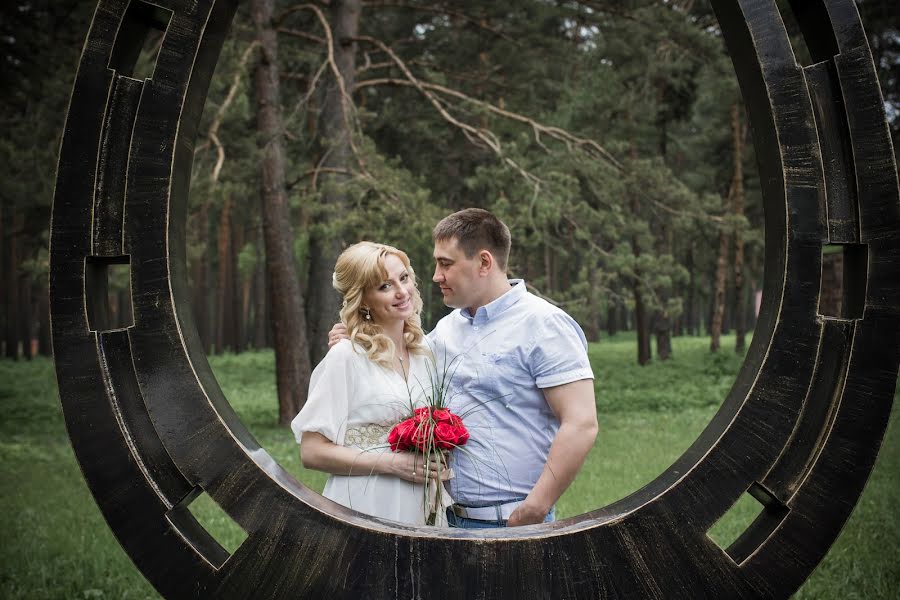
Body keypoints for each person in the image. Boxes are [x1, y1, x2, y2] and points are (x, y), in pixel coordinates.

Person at [329, 208, 598, 528]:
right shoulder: (446, 331)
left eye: (446, 263)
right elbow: (400, 366)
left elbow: (581, 423)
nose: (435, 276)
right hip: (447, 518)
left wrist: (535, 508)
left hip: (513, 522)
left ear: (484, 262)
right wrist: (360, 333)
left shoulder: (544, 325)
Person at [291, 241, 451, 526]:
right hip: (366, 503)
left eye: (404, 278)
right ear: (363, 299)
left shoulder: (425, 352)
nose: (402, 292)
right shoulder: (347, 355)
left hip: (423, 503)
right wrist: (393, 464)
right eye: (384, 286)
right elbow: (312, 451)